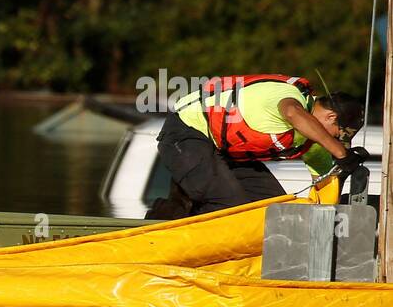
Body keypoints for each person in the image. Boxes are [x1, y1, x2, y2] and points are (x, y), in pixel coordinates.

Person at [149, 74, 369, 218]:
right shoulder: (289, 96)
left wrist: (342, 177)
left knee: (273, 212)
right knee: (230, 205)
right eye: (340, 134)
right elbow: (292, 113)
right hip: (187, 132)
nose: (337, 140)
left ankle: (177, 208)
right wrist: (340, 153)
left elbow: (325, 187)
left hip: (225, 152)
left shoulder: (314, 144)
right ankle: (162, 221)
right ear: (331, 117)